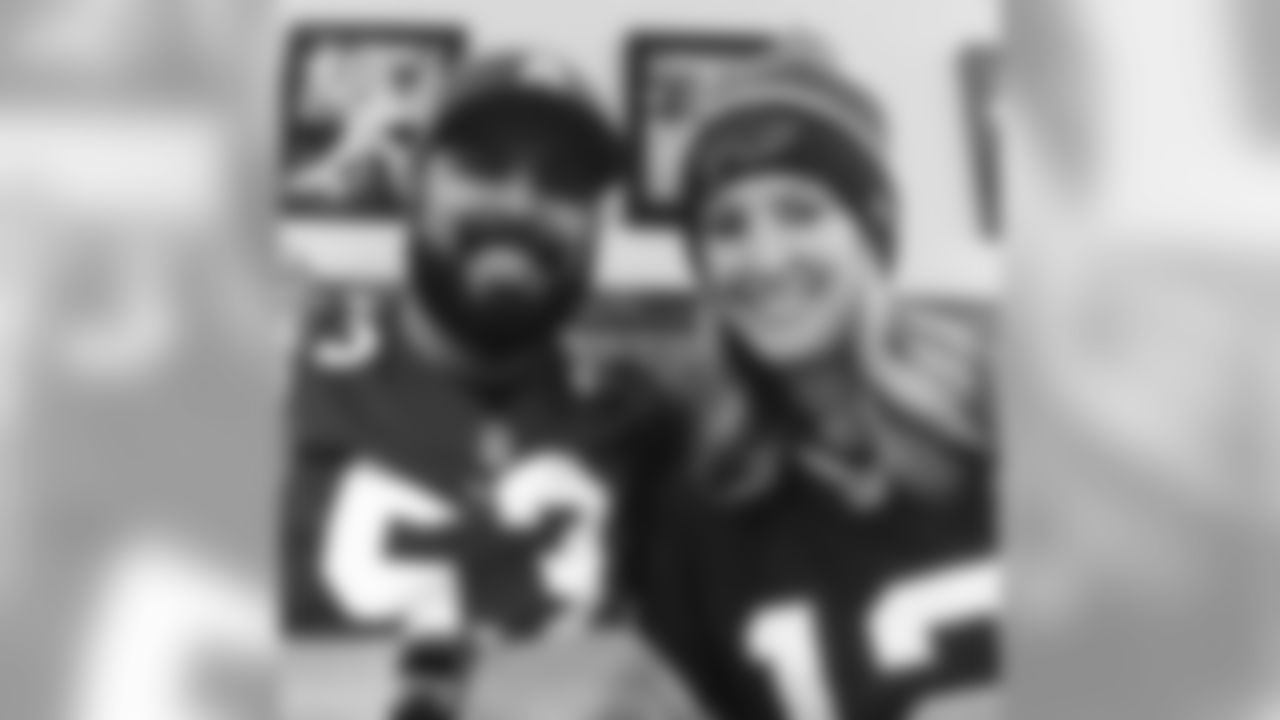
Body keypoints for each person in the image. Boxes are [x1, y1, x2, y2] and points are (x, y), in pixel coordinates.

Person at [282, 50, 687, 720]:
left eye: (563, 184)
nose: (520, 205)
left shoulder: (640, 422)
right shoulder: (284, 386)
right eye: (483, 166)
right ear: (416, 186)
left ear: (597, 227)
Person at [633, 48, 1001, 720]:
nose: (766, 259)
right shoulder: (703, 507)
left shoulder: (1003, 417)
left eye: (801, 212)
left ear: (872, 231)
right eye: (727, 226)